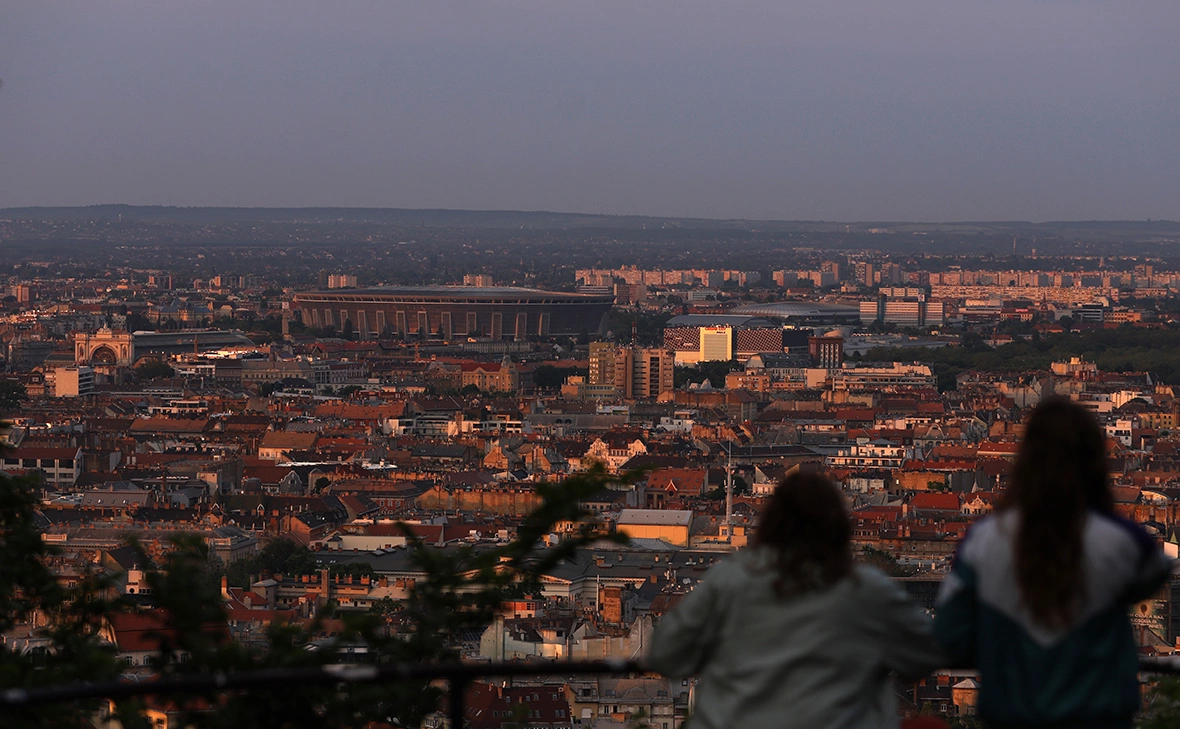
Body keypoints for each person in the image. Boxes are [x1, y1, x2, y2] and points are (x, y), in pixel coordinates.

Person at [935, 397, 1173, 728]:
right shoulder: (1117, 540)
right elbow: (1155, 572)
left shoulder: (985, 541)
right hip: (1098, 713)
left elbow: (949, 632)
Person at [646, 472, 943, 729]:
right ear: (838, 529)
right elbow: (923, 654)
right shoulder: (868, 589)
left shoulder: (728, 581)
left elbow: (665, 653)